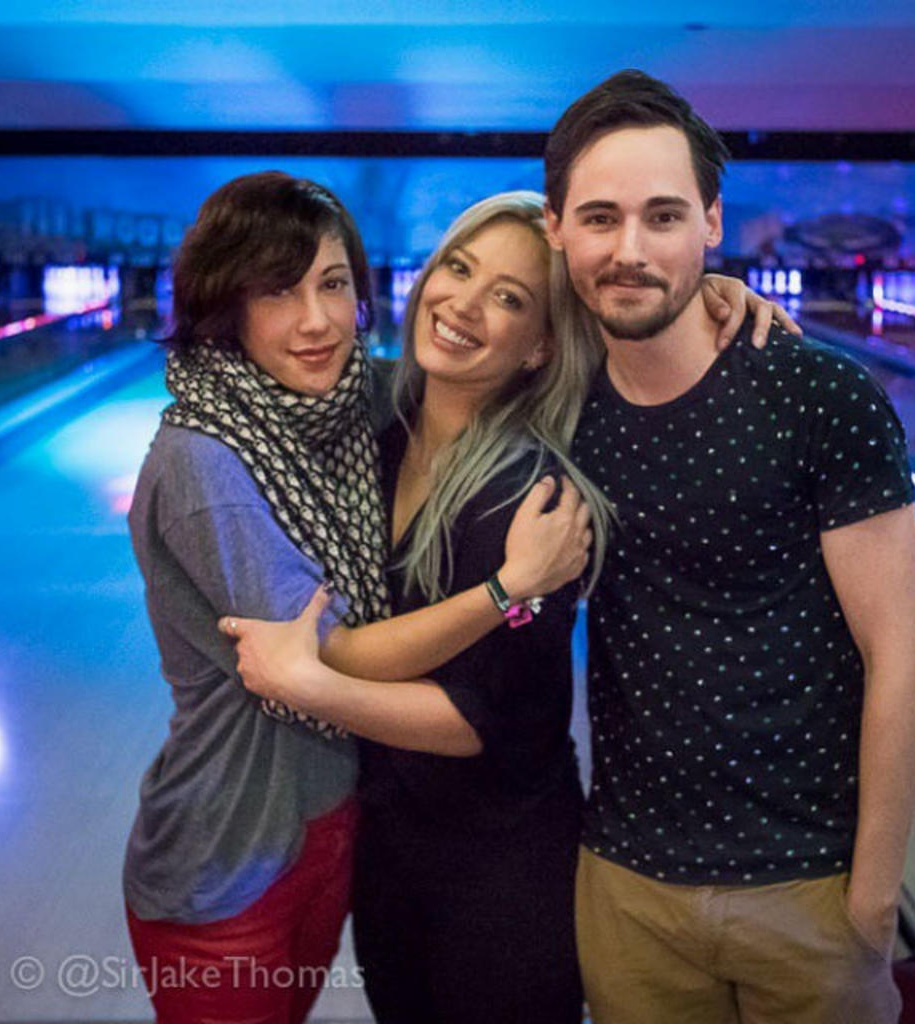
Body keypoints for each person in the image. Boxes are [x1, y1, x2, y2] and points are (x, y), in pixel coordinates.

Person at [221, 190, 798, 1023]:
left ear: (540, 347)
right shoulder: (380, 433)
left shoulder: (531, 497)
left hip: (502, 881)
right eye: (458, 269)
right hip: (390, 853)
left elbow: (476, 722)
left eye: (509, 298)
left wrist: (311, 681)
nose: (463, 304)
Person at [123, 172, 592, 1024]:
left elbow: (481, 720)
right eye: (278, 289)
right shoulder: (328, 432)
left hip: (482, 866)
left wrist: (713, 299)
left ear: (540, 345)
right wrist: (504, 590)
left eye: (333, 285)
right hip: (274, 845)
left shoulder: (507, 487)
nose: (316, 322)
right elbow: (322, 652)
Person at [542, 70, 915, 1024]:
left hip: (808, 884)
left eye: (663, 216)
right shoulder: (555, 406)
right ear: (556, 229)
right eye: (599, 218)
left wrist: (874, 895)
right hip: (626, 882)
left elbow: (900, 652)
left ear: (712, 222)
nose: (630, 249)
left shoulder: (820, 397)